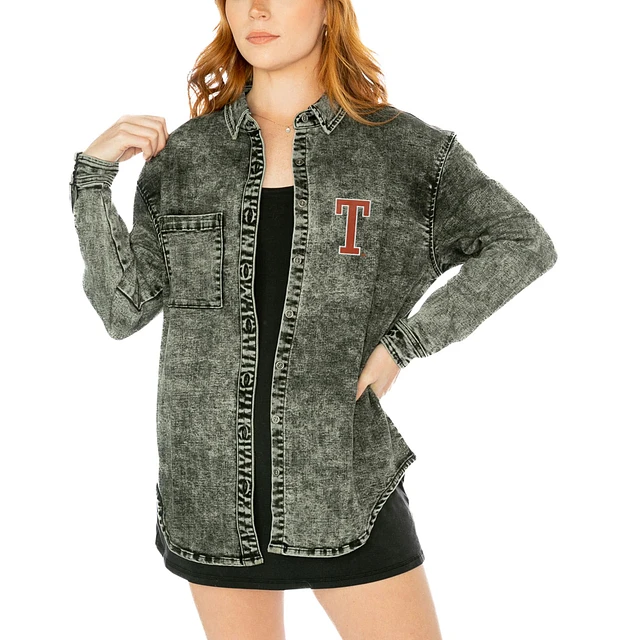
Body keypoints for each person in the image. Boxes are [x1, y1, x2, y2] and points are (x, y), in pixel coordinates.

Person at [69, 1, 557, 638]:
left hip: (343, 481)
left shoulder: (402, 151)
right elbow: (123, 309)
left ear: (329, 10)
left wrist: (407, 343)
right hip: (209, 488)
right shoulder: (185, 157)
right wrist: (91, 183)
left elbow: (523, 243)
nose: (258, 8)